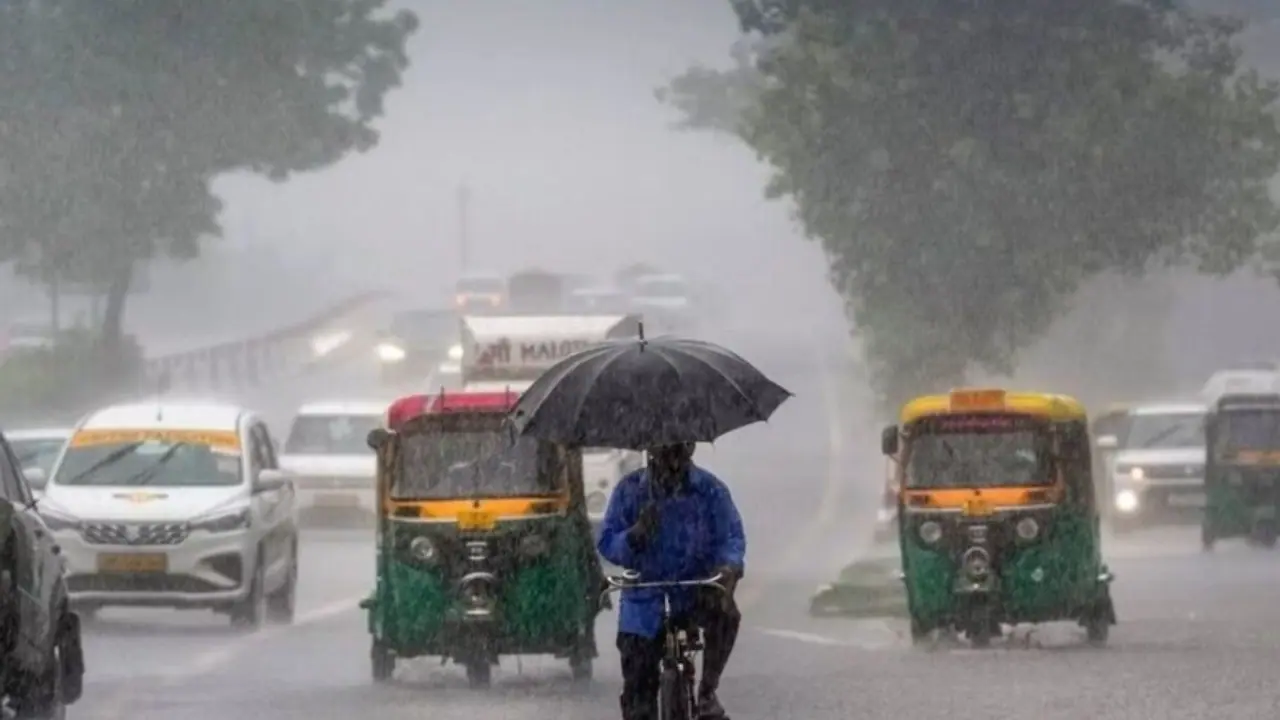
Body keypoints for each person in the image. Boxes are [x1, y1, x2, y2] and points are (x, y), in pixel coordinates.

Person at [597, 442, 746, 720]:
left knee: (727, 615)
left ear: (691, 447)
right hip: (643, 602)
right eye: (665, 450)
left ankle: (707, 692)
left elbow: (731, 537)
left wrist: (729, 567)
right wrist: (635, 535)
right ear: (651, 450)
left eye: (680, 447)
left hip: (695, 591)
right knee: (637, 700)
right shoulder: (630, 491)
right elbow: (607, 542)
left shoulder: (710, 490)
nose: (672, 459)